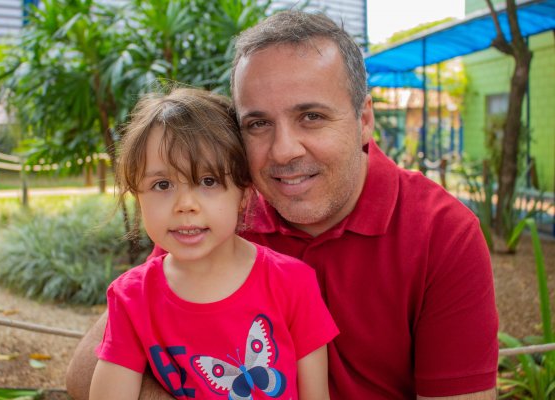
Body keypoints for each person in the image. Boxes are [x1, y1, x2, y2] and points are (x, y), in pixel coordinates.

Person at [67, 10, 499, 400]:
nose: (284, 150)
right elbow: (86, 371)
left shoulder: (442, 233)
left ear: (364, 119)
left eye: (311, 116)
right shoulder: (217, 217)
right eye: (258, 123)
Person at [88, 88, 338, 400]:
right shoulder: (131, 299)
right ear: (137, 196)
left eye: (208, 181)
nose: (185, 205)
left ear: (244, 195)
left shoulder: (292, 284)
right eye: (161, 185)